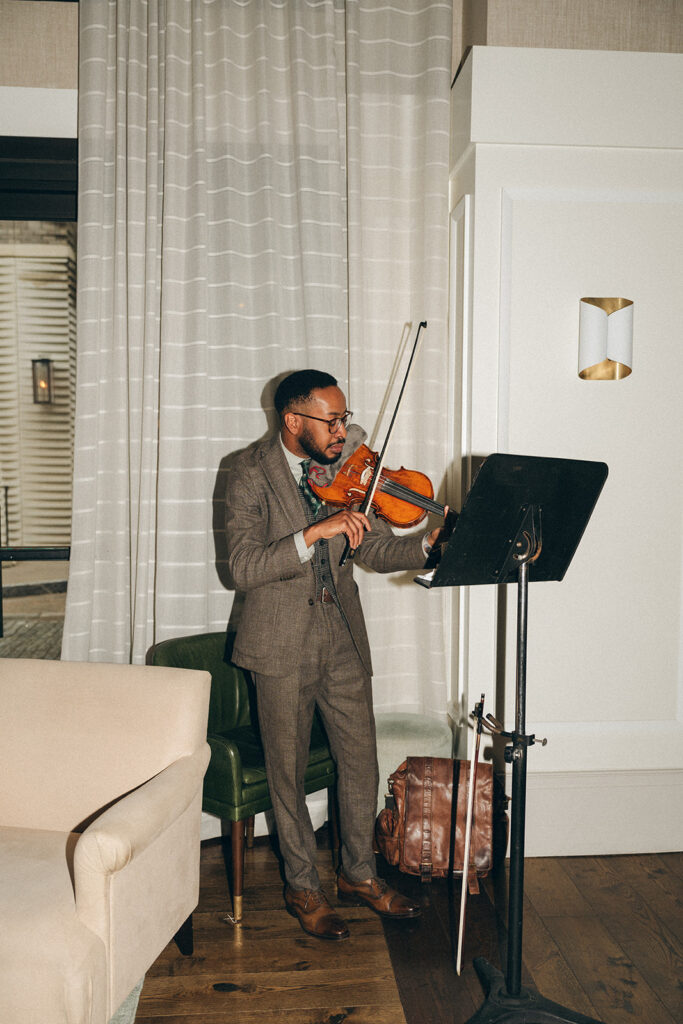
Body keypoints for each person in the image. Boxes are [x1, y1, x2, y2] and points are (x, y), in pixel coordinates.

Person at [224, 369, 446, 940]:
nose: (343, 430)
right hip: (278, 644)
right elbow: (243, 566)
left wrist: (425, 545)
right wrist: (314, 533)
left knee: (359, 762)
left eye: (345, 418)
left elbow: (370, 547)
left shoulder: (346, 475)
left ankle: (359, 875)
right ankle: (303, 888)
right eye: (332, 420)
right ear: (293, 420)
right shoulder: (245, 471)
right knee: (287, 772)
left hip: (342, 635)